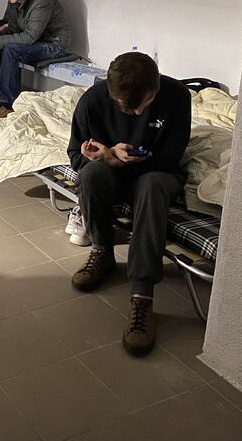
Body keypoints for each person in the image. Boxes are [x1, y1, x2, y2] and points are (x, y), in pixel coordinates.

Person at [67, 52, 191, 356]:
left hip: (157, 173)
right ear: (112, 95)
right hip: (113, 172)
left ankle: (142, 294)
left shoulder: (177, 97)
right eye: (127, 107)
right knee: (92, 175)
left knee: (150, 185)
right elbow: (75, 156)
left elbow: (169, 158)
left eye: (144, 104)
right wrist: (105, 156)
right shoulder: (92, 102)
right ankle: (102, 251)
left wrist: (126, 161)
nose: (137, 113)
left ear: (157, 85)